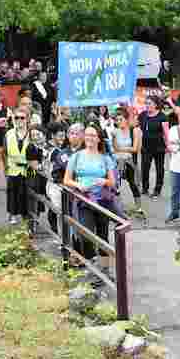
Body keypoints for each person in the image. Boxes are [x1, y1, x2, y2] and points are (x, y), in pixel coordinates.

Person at [63, 123, 117, 262]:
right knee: (85, 234)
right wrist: (79, 185)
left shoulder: (105, 158)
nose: (89, 138)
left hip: (102, 201)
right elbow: (66, 180)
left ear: (99, 138)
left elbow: (113, 182)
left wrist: (103, 181)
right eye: (87, 135)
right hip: (83, 200)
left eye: (93, 135)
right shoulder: (76, 156)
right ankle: (91, 263)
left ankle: (104, 268)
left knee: (102, 235)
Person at [4, 107, 33, 225]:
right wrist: (6, 167)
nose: (19, 120)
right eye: (16, 118)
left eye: (22, 118)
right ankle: (12, 214)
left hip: (28, 169)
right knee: (13, 192)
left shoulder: (32, 134)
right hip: (13, 168)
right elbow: (5, 151)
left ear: (27, 119)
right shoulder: (9, 133)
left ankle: (27, 215)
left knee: (27, 193)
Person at [111, 108, 143, 212]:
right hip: (117, 161)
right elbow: (114, 149)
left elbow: (136, 149)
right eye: (117, 120)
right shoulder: (115, 132)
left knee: (133, 183)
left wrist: (120, 149)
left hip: (130, 161)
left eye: (121, 119)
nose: (119, 122)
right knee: (116, 185)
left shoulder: (134, 130)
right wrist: (117, 144)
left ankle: (138, 207)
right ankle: (118, 207)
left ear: (126, 119)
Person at [138, 97, 168, 200]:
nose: (147, 105)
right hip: (146, 147)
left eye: (150, 103)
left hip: (159, 147)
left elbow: (166, 133)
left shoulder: (162, 116)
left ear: (155, 104)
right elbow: (136, 126)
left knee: (159, 169)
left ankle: (157, 189)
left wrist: (168, 145)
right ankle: (145, 188)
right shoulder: (142, 115)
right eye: (146, 103)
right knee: (145, 168)